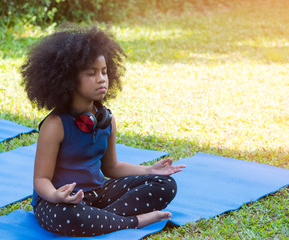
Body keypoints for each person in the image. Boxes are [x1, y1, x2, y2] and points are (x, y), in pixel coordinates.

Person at [20, 26, 186, 237]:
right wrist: (56, 195)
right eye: (92, 73)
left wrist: (150, 170)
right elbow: (41, 179)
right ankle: (133, 221)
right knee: (69, 216)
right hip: (58, 203)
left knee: (165, 185)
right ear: (69, 79)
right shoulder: (55, 125)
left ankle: (99, 220)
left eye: (105, 72)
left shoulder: (106, 120)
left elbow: (111, 167)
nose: (102, 79)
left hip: (99, 194)